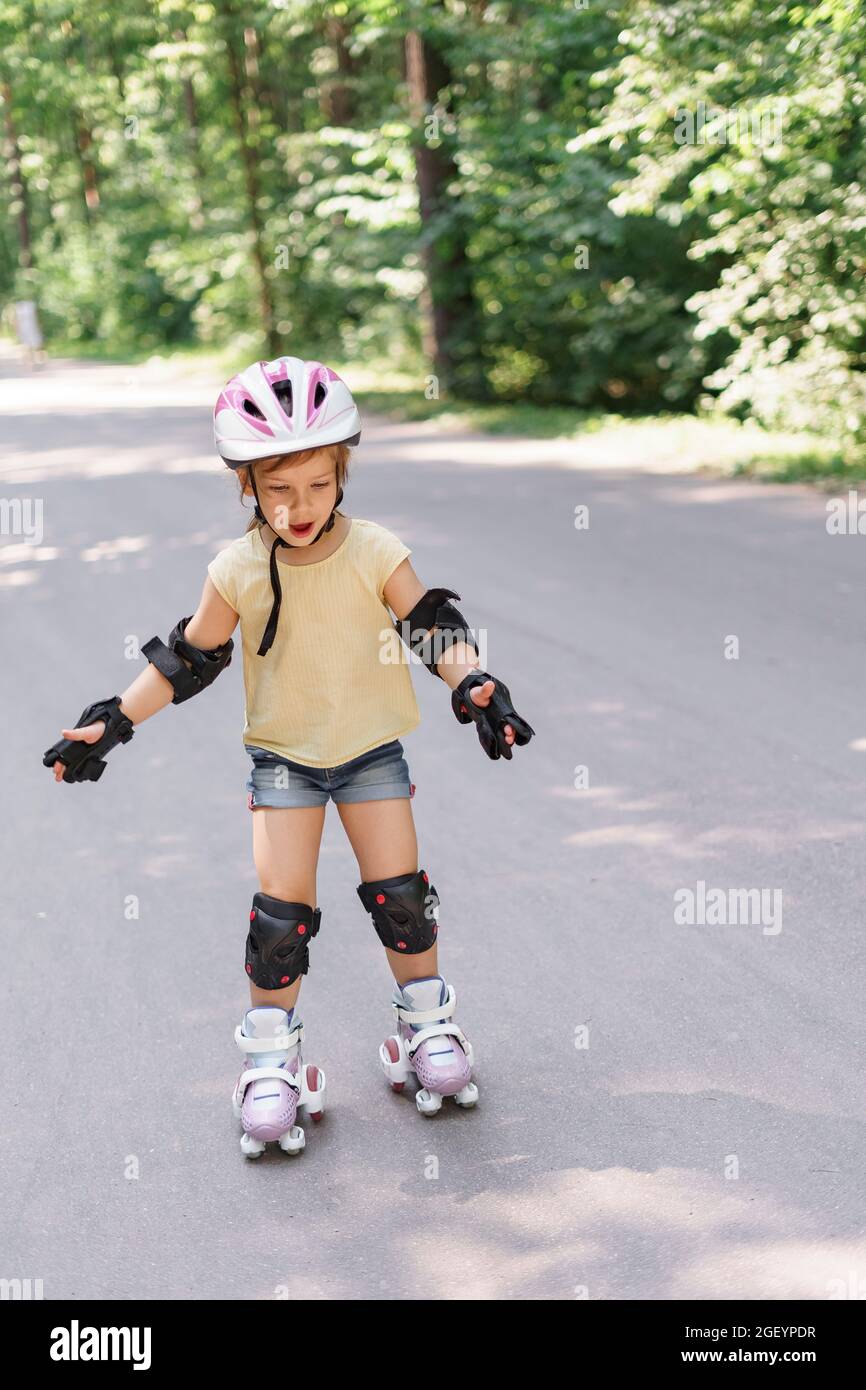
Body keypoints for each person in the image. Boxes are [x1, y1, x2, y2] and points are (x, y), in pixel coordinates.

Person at [44, 355, 535, 1158]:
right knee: (280, 920)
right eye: (277, 489)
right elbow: (186, 660)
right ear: (248, 487)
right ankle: (272, 1065)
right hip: (284, 764)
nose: (298, 506)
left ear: (342, 470)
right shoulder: (236, 568)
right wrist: (113, 722)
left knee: (401, 897)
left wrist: (474, 680)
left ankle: (429, 1032)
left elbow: (431, 625)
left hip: (372, 753)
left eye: (315, 484)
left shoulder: (374, 548)